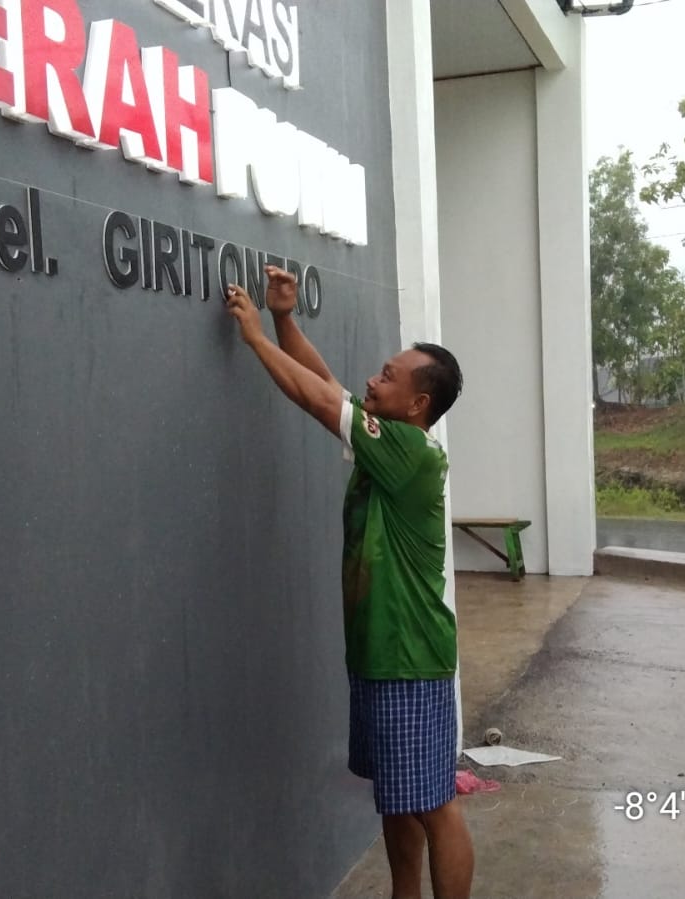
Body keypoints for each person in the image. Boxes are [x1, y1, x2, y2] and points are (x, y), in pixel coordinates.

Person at [224, 266, 474, 899]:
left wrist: (255, 338)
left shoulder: (409, 451)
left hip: (409, 660)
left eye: (388, 377)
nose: (373, 378)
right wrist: (284, 320)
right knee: (398, 797)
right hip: (379, 655)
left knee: (434, 803)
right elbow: (330, 386)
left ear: (419, 404)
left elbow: (316, 398)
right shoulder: (384, 441)